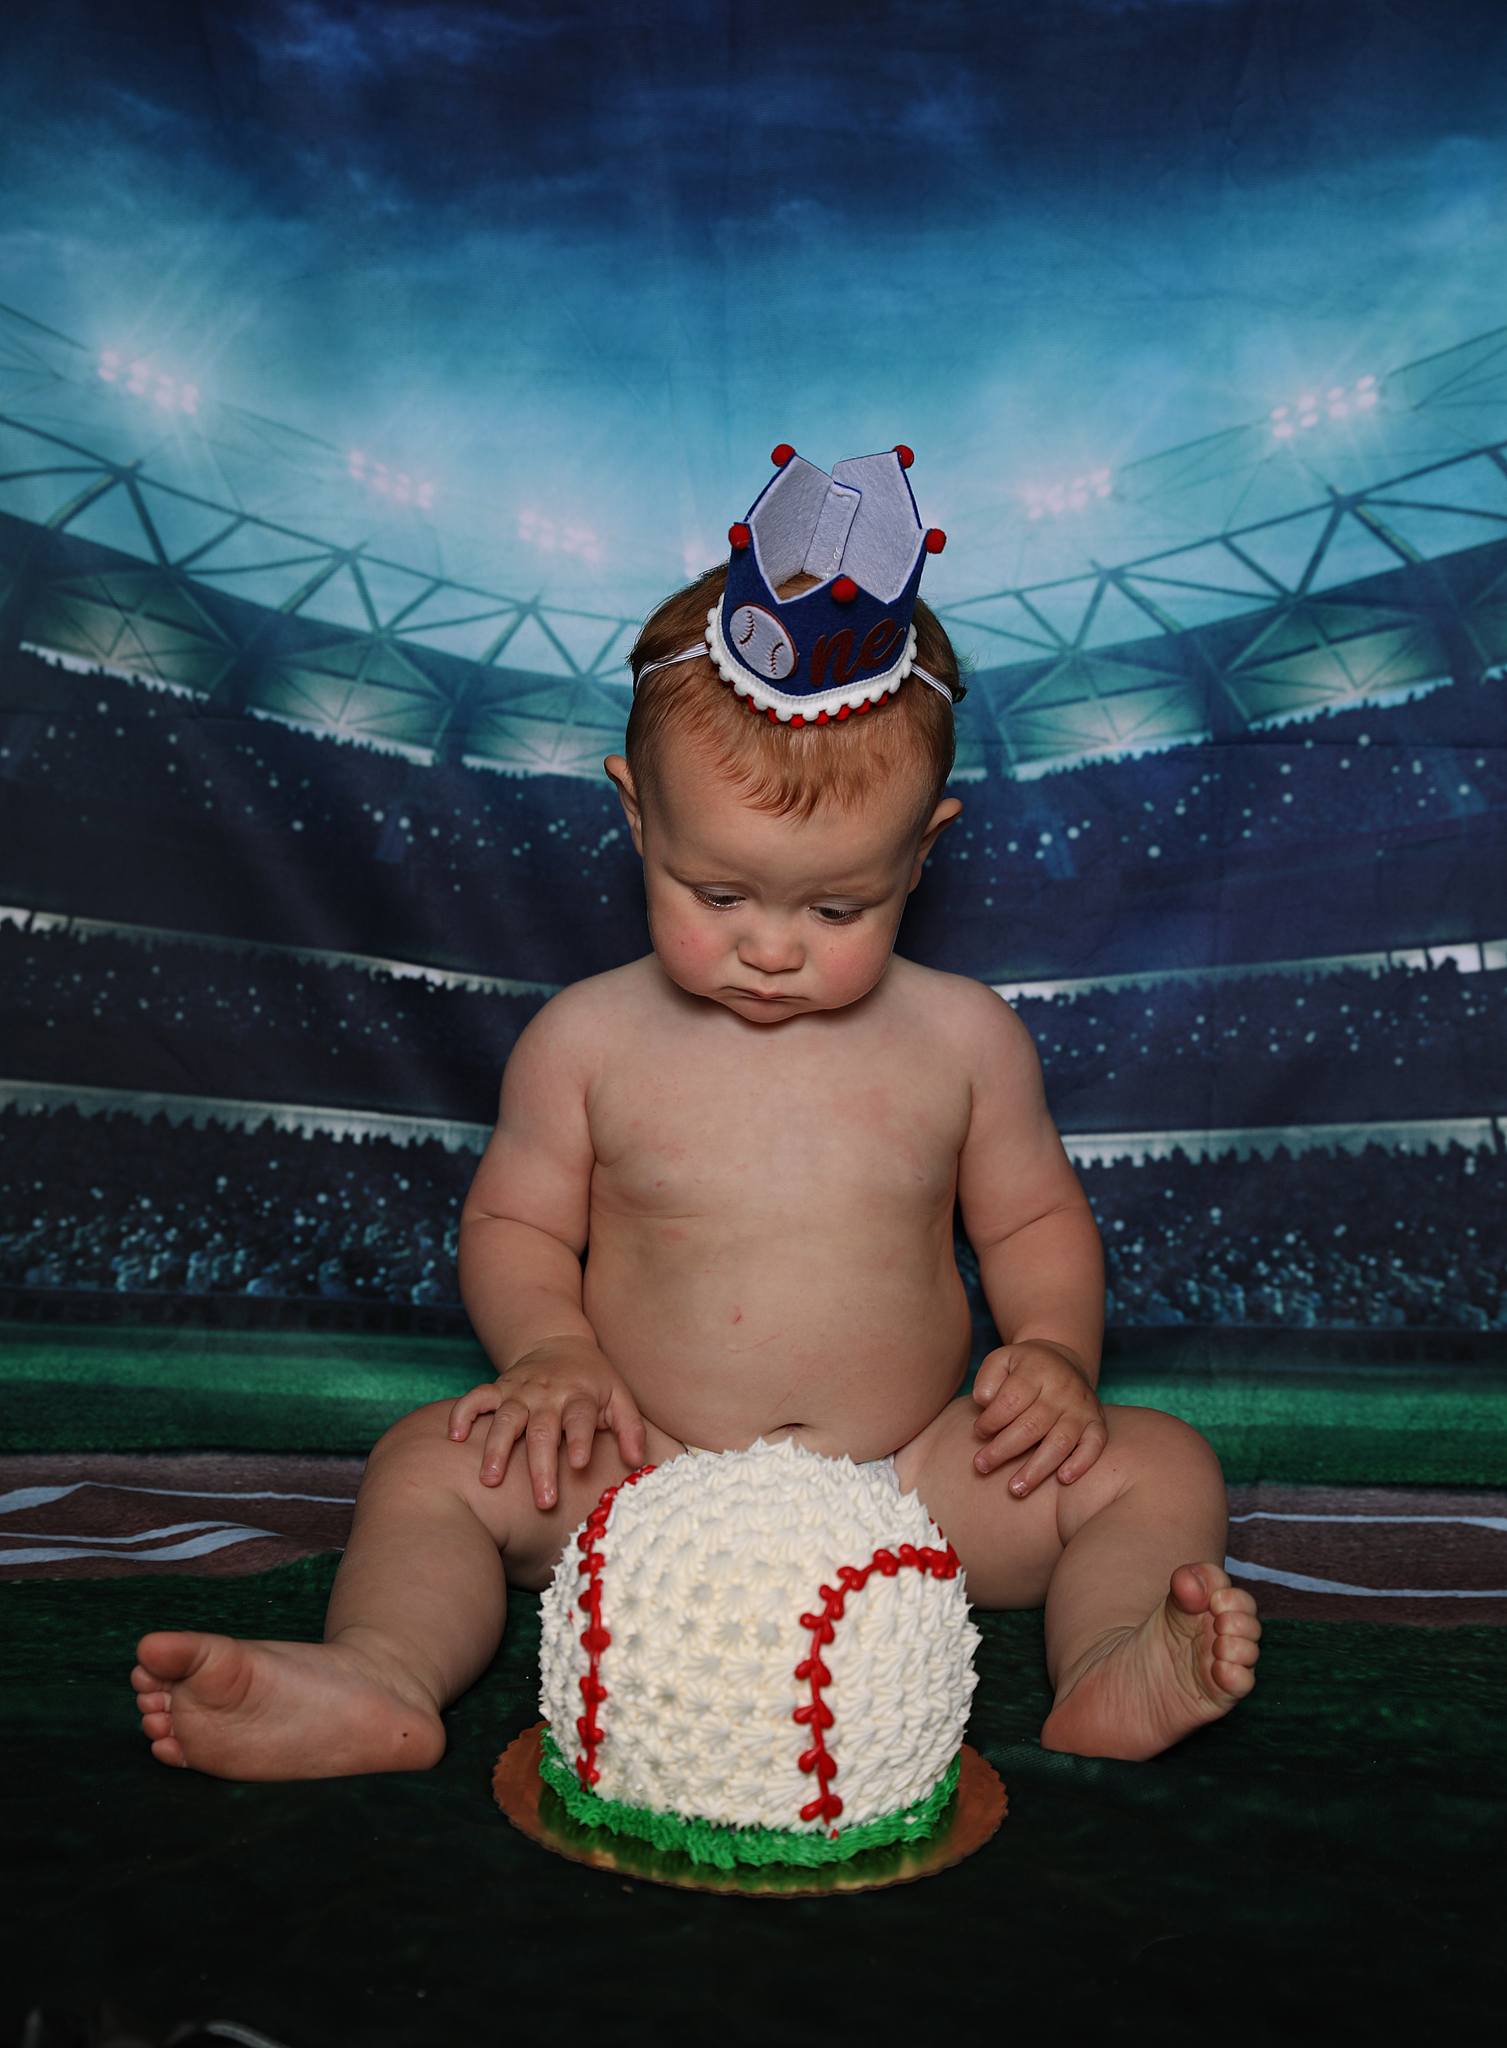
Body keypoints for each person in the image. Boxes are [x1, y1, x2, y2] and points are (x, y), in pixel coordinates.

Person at [131, 445, 1259, 1779]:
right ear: (636, 819)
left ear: (925, 851)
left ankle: (1113, 1658)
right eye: (719, 895)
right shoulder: (590, 1038)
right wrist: (551, 1352)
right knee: (428, 1465)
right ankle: (378, 1676)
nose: (771, 947)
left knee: (1161, 1464)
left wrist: (1059, 1354)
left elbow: (1029, 1220)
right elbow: (512, 1222)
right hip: (636, 1472)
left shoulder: (963, 1036)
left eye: (838, 908)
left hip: (908, 1485)